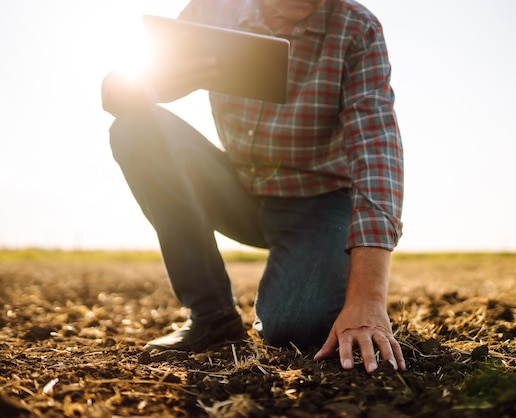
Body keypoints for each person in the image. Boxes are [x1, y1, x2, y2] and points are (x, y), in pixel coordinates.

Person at [101, 0, 405, 373]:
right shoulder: (211, 10)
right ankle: (212, 316)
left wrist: (369, 298)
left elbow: (378, 151)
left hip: (319, 204)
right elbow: (118, 88)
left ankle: (314, 278)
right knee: (134, 129)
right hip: (238, 188)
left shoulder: (358, 29)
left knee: (296, 329)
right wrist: (142, 87)